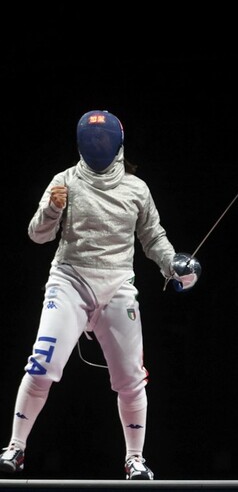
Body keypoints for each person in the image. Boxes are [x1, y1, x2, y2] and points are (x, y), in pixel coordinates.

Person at [0, 110, 201, 480]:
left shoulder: (136, 189)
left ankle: (135, 459)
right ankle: (16, 447)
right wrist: (51, 210)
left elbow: (153, 238)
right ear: (80, 143)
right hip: (70, 280)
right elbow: (37, 235)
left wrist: (174, 265)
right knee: (42, 364)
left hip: (118, 285)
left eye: (103, 139)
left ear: (117, 144)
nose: (97, 145)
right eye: (91, 140)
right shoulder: (64, 182)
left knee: (131, 378)